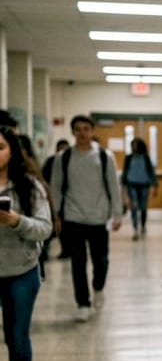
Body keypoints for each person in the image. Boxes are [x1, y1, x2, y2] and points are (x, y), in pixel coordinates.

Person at [0, 120, 53, 361]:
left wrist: (16, 221)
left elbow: (44, 228)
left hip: (21, 271)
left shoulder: (29, 186)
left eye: (0, 147)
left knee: (16, 336)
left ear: (12, 152)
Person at [49, 115, 122, 322]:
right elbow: (56, 187)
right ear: (72, 132)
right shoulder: (63, 157)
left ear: (92, 130)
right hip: (73, 217)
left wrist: (117, 213)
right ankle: (83, 303)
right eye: (78, 129)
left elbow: (113, 185)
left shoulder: (104, 156)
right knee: (78, 262)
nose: (82, 133)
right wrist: (55, 214)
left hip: (99, 217)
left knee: (101, 260)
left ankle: (98, 287)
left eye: (86, 129)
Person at [122, 137, 158, 240]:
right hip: (132, 184)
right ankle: (135, 228)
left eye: (136, 145)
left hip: (144, 185)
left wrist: (155, 185)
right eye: (132, 145)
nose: (134, 147)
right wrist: (123, 186)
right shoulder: (129, 158)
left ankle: (142, 225)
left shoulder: (146, 158)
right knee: (134, 206)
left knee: (143, 207)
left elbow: (151, 172)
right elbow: (125, 172)